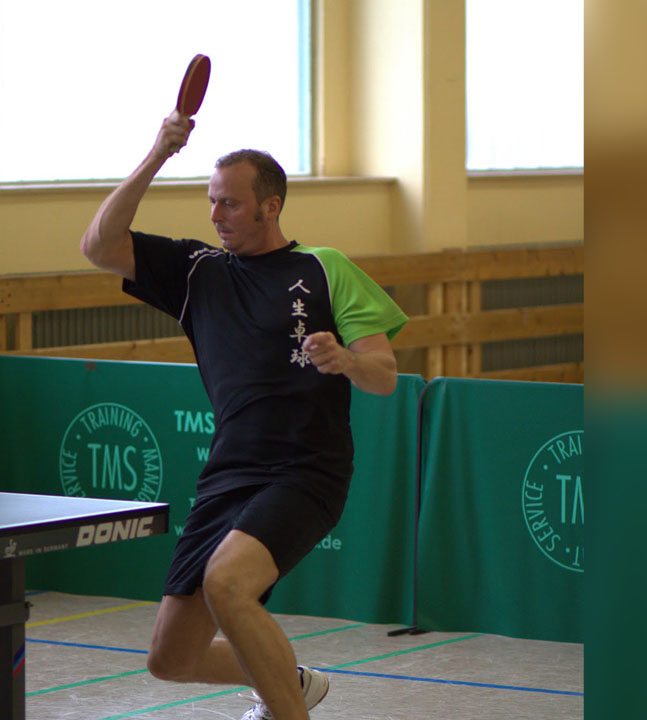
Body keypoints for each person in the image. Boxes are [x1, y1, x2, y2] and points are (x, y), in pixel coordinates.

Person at [79, 110, 408, 720]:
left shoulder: (325, 268)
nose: (215, 214)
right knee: (170, 658)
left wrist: (345, 360)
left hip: (306, 470)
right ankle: (293, 683)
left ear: (270, 207)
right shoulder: (197, 272)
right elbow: (98, 245)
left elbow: (385, 376)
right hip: (228, 474)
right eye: (211, 201)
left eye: (229, 203)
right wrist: (157, 153)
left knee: (227, 584)